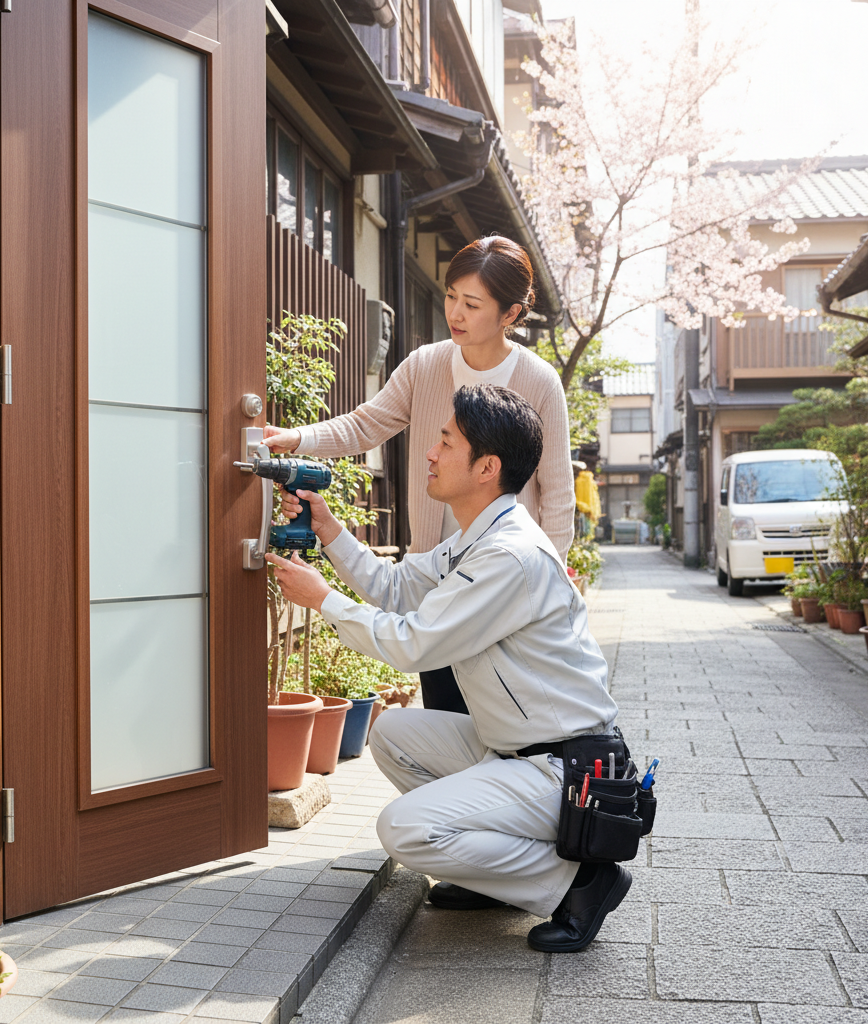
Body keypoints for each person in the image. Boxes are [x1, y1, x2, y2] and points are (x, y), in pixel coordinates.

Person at [265, 384, 632, 953]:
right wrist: (328, 530)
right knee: (392, 732)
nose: (430, 455)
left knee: (403, 828)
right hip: (514, 750)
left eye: (445, 442)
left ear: (487, 467)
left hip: (562, 772)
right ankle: (494, 880)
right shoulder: (476, 539)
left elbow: (414, 644)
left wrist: (322, 600)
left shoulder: (509, 556)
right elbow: (395, 588)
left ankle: (578, 882)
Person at [264, 236, 575, 716]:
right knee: (444, 713)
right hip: (437, 570)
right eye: (451, 296)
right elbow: (367, 423)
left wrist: (542, 590)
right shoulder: (426, 365)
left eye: (472, 304)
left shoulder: (538, 381)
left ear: (510, 314)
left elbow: (557, 496)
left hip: (503, 580)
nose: (455, 312)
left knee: (498, 718)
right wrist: (298, 438)